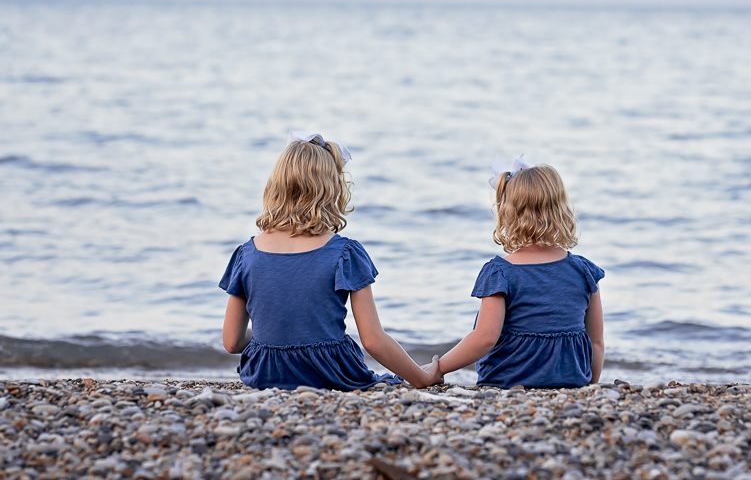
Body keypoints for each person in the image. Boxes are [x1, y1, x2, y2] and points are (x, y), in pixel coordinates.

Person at [219, 130, 440, 390]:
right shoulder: (345, 253)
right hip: (329, 373)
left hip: (264, 374)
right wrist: (421, 378)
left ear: (275, 186)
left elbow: (232, 342)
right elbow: (373, 341)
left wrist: (276, 335)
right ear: (334, 188)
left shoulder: (247, 254)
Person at [434, 156, 605, 388]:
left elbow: (484, 338)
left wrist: (440, 367)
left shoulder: (500, 272)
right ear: (562, 209)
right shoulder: (584, 270)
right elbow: (595, 341)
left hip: (508, 380)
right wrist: (590, 384)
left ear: (507, 213)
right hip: (572, 380)